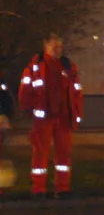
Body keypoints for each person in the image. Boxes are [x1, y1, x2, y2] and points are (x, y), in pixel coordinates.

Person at [18, 34, 83, 198]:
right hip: (44, 118)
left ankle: (62, 188)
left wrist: (76, 114)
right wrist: (29, 108)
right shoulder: (35, 67)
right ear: (46, 46)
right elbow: (25, 91)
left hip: (63, 118)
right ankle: (38, 189)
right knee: (40, 153)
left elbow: (76, 93)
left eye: (60, 47)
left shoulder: (68, 67)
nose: (58, 50)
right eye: (55, 46)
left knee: (64, 154)